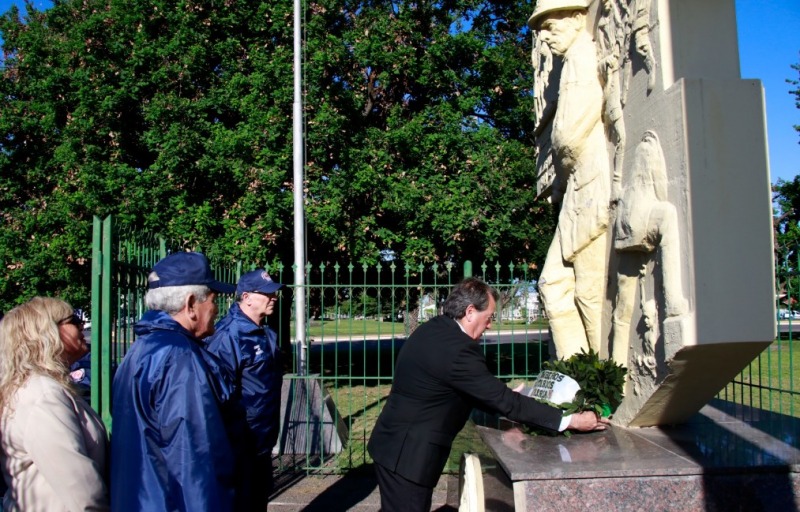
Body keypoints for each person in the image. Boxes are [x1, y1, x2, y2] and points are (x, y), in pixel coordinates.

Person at [367, 278, 607, 512]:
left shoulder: (435, 329)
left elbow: (462, 387)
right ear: (470, 311)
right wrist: (572, 420)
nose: (490, 324)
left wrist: (496, 395)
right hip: (408, 457)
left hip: (395, 445)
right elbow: (506, 402)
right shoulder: (457, 349)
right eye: (489, 316)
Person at [110, 251, 237, 511]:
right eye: (212, 300)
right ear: (191, 304)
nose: (215, 310)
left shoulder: (140, 349)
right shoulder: (180, 358)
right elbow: (195, 457)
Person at [529, 0, 612, 359]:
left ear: (578, 18)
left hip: (590, 186)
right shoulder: (569, 63)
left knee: (589, 293)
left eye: (551, 26)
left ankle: (604, 382)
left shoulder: (581, 56)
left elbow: (568, 137)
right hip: (577, 189)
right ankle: (579, 379)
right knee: (553, 284)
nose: (545, 37)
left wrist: (558, 177)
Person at [0, 297, 109, 511]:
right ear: (47, 332)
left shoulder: (39, 387)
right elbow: (81, 490)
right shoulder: (43, 394)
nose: (82, 325)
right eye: (73, 319)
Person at [205, 269, 285, 511]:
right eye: (267, 294)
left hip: (261, 440)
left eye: (275, 294)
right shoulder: (228, 336)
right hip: (240, 444)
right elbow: (218, 395)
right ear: (247, 297)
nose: (274, 298)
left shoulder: (265, 333)